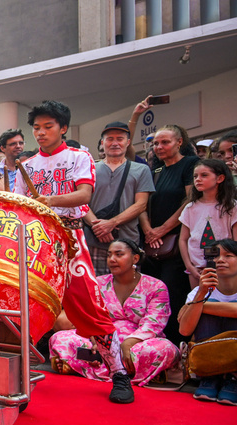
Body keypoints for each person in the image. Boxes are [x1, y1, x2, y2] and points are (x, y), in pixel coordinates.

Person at [15, 100, 134, 403]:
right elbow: (18, 206)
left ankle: (118, 373)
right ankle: (11, 366)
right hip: (34, 243)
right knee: (20, 304)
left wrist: (50, 201)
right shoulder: (26, 166)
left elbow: (84, 195)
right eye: (36, 128)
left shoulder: (79, 157)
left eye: (47, 127)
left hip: (69, 239)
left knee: (89, 306)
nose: (40, 133)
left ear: (63, 128)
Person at [49, 239, 178, 386]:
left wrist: (128, 343)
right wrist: (97, 338)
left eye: (119, 254)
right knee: (60, 338)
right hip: (102, 338)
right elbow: (91, 316)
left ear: (135, 258)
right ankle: (129, 370)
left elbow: (154, 323)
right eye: (109, 255)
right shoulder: (98, 283)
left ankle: (85, 366)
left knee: (163, 349)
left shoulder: (155, 286)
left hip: (138, 342)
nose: (112, 259)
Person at [139, 125, 197, 344]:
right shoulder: (155, 171)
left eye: (165, 142)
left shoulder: (189, 165)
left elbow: (189, 201)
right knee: (152, 295)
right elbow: (143, 204)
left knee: (173, 293)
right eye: (155, 143)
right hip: (151, 242)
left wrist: (163, 229)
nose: (159, 147)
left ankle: (176, 345)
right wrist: (148, 230)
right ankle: (154, 343)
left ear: (179, 142)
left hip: (178, 242)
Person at [82, 121, 155, 276]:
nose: (115, 143)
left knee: (128, 292)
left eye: (120, 139)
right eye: (110, 139)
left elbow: (141, 204)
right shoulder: (89, 168)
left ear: (128, 142)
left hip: (127, 241)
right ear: (102, 142)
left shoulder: (141, 170)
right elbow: (81, 202)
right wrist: (99, 228)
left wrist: (111, 223)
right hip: (93, 241)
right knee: (96, 292)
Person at [178, 239, 237, 404]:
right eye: (216, 256)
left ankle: (232, 378)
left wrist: (197, 306)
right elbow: (184, 331)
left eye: (229, 255)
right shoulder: (199, 291)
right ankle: (210, 376)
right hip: (207, 360)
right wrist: (201, 294)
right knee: (204, 309)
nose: (220, 260)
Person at [179, 159, 237, 289]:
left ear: (220, 178)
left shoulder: (231, 206)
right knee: (199, 303)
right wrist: (189, 266)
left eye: (204, 175)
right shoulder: (190, 207)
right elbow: (183, 239)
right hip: (197, 268)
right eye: (195, 176)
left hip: (224, 267)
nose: (198, 179)